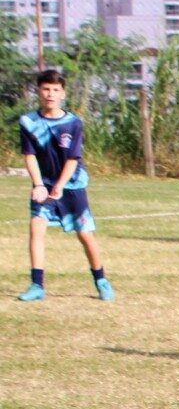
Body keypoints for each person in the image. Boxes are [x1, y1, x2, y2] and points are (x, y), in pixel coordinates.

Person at [17, 68, 115, 303]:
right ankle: (37, 285)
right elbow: (29, 155)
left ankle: (101, 279)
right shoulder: (28, 122)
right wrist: (39, 184)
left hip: (71, 186)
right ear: (38, 92)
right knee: (36, 228)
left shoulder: (73, 123)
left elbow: (73, 159)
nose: (50, 94)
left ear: (63, 93)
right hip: (44, 185)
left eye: (56, 90)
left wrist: (59, 186)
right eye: (46, 89)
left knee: (84, 234)